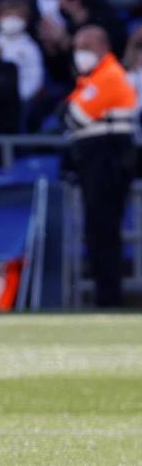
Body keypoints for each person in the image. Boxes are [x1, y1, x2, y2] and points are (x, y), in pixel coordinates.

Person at [65, 25, 138, 307]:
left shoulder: (108, 76)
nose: (80, 53)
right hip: (97, 161)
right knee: (98, 232)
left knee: (104, 232)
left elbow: (74, 116)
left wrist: (70, 110)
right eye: (77, 47)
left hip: (107, 162)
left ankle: (109, 298)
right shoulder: (95, 78)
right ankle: (105, 296)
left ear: (103, 47)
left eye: (86, 47)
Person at [0, 0, 44, 104]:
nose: (12, 20)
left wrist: (18, 96)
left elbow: (35, 77)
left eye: (17, 16)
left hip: (18, 100)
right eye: (7, 15)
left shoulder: (31, 48)